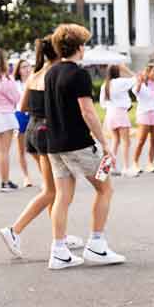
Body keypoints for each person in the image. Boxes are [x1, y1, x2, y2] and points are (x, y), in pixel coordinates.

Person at [44, 23, 125, 270]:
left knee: (63, 196)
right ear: (80, 47)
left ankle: (58, 251)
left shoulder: (51, 73)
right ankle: (96, 244)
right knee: (105, 189)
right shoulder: (78, 74)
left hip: (54, 145)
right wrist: (105, 143)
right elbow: (88, 112)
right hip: (78, 144)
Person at [0, 36, 84, 258]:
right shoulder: (56, 74)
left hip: (33, 132)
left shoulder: (36, 74)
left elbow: (23, 105)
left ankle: (61, 236)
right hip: (49, 133)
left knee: (52, 188)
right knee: (52, 190)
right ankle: (14, 230)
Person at [0, 48, 21, 192]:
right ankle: (5, 182)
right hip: (4, 116)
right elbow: (16, 98)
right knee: (3, 151)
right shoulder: (6, 79)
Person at [99, 63, 136, 176]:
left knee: (115, 141)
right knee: (126, 141)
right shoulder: (120, 82)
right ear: (118, 72)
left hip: (110, 113)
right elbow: (136, 79)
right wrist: (127, 69)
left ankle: (108, 168)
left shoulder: (105, 85)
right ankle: (126, 167)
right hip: (120, 113)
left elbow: (102, 104)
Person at [132, 64, 154, 173]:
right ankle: (135, 163)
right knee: (141, 140)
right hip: (144, 115)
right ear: (148, 73)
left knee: (153, 141)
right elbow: (135, 92)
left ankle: (150, 164)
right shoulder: (142, 86)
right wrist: (139, 82)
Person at [13, 58, 34, 187]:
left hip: (34, 116)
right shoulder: (14, 83)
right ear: (18, 70)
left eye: (28, 66)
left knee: (35, 149)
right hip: (19, 116)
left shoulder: (34, 81)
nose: (27, 69)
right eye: (23, 67)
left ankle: (46, 176)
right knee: (21, 150)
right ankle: (26, 177)